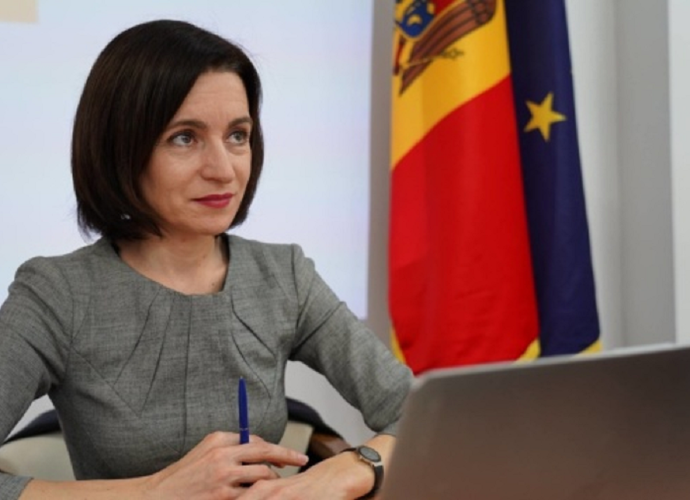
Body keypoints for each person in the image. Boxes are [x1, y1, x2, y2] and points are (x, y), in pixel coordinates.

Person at [0, 19, 412, 499]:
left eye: (237, 135)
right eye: (184, 137)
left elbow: (420, 416)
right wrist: (153, 492)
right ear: (120, 149)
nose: (223, 170)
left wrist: (345, 471)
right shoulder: (56, 294)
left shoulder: (285, 276)